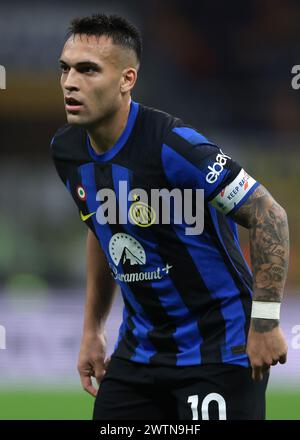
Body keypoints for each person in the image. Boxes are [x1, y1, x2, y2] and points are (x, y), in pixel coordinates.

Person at [50, 13, 289, 420]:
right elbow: (101, 228)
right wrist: (93, 331)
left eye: (88, 70)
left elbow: (270, 215)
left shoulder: (174, 146)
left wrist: (265, 323)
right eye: (66, 68)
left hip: (219, 350)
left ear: (127, 79)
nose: (71, 81)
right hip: (139, 356)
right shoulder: (67, 150)